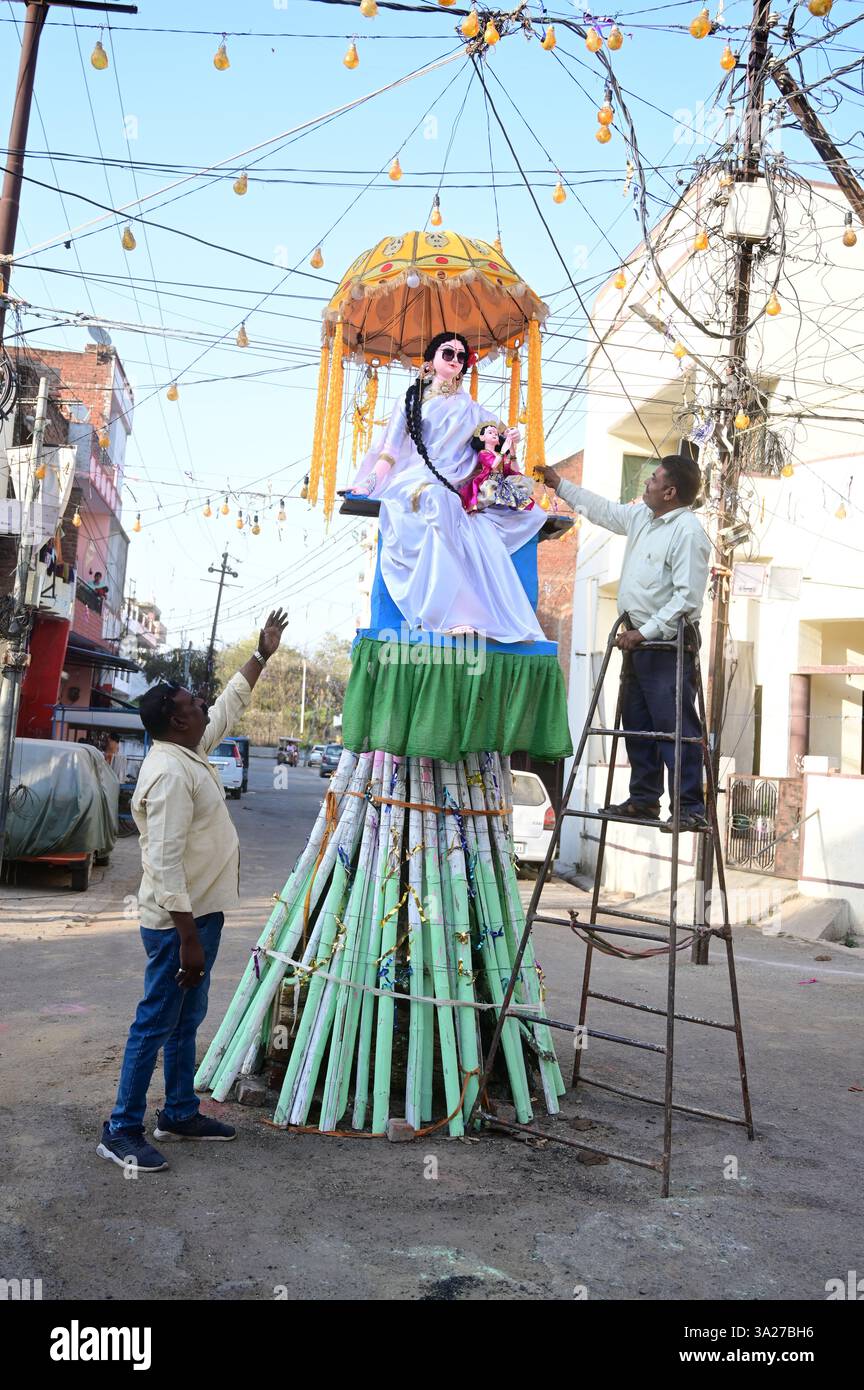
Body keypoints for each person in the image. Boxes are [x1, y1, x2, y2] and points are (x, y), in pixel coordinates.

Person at [96, 608, 289, 1174]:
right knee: (155, 1021)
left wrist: (262, 654)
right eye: (192, 706)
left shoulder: (189, 750)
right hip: (176, 924)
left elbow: (228, 704)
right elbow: (162, 863)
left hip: (200, 917)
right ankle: (120, 1129)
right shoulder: (169, 773)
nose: (203, 707)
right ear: (175, 722)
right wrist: (187, 940)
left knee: (184, 1021)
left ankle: (178, 1111)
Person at [543, 456, 711, 831]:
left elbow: (686, 600)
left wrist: (645, 631)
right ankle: (644, 799)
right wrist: (559, 485)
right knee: (637, 722)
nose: (646, 484)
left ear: (670, 491)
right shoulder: (642, 518)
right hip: (637, 639)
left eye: (653, 479)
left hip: (667, 644)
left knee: (674, 726)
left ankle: (688, 806)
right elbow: (603, 511)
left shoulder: (687, 533)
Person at [349, 331, 548, 643]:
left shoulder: (472, 410)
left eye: (460, 356)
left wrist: (508, 442)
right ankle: (450, 614)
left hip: (453, 485)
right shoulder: (411, 400)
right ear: (431, 360)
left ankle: (472, 613)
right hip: (414, 482)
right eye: (448, 353)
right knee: (443, 502)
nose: (455, 360)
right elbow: (389, 452)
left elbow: (495, 447)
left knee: (465, 508)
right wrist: (369, 484)